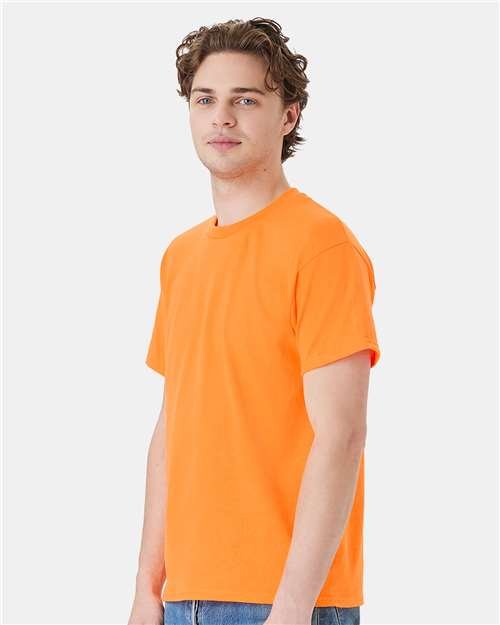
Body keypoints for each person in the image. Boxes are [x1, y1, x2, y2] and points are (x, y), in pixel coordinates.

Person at [128, 17, 381, 625]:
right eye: (205, 100)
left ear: (288, 116)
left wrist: (292, 607)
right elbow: (171, 430)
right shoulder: (181, 257)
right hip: (183, 597)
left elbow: (342, 435)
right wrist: (147, 588)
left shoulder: (322, 247)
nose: (221, 117)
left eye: (245, 100)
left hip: (285, 602)